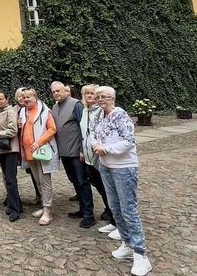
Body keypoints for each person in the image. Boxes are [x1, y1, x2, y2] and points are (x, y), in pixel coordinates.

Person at [91, 86, 152, 276]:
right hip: (105, 166)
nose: (101, 99)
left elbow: (128, 141)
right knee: (115, 207)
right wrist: (96, 146)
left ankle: (141, 254)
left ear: (113, 98)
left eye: (105, 96)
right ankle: (126, 243)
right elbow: (92, 134)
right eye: (98, 96)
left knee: (128, 208)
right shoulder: (98, 116)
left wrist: (106, 150)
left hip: (124, 167)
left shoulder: (120, 115)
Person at [51, 81, 96, 228]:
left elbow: (83, 127)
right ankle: (82, 209)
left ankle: (89, 214)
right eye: (53, 92)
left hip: (76, 151)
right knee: (74, 180)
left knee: (82, 181)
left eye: (59, 91)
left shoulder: (75, 104)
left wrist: (82, 149)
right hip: (64, 152)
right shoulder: (55, 107)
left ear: (65, 91)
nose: (56, 93)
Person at [80, 84, 118, 239]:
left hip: (100, 156)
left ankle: (115, 218)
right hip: (89, 158)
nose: (90, 96)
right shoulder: (84, 111)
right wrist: (82, 150)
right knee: (101, 188)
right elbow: (85, 133)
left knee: (108, 188)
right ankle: (111, 214)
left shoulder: (101, 111)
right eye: (87, 93)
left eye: (92, 94)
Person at [19, 88, 58, 226]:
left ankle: (48, 210)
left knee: (45, 181)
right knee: (38, 181)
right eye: (24, 97)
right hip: (29, 152)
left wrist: (38, 142)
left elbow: (52, 129)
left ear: (35, 97)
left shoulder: (44, 111)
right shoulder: (23, 112)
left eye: (29, 97)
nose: (26, 99)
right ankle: (44, 205)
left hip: (42, 151)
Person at [0, 90, 21, 222]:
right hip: (1, 150)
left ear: (6, 99)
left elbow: (13, 130)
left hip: (10, 150)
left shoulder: (10, 112)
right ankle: (15, 205)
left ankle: (15, 210)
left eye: (0, 99)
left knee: (10, 180)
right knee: (7, 178)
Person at [14, 87, 41, 205]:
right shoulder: (17, 110)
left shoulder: (35, 108)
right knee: (31, 171)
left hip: (35, 145)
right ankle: (38, 194)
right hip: (22, 146)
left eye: (24, 96)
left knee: (40, 173)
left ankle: (42, 197)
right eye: (20, 96)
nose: (22, 98)